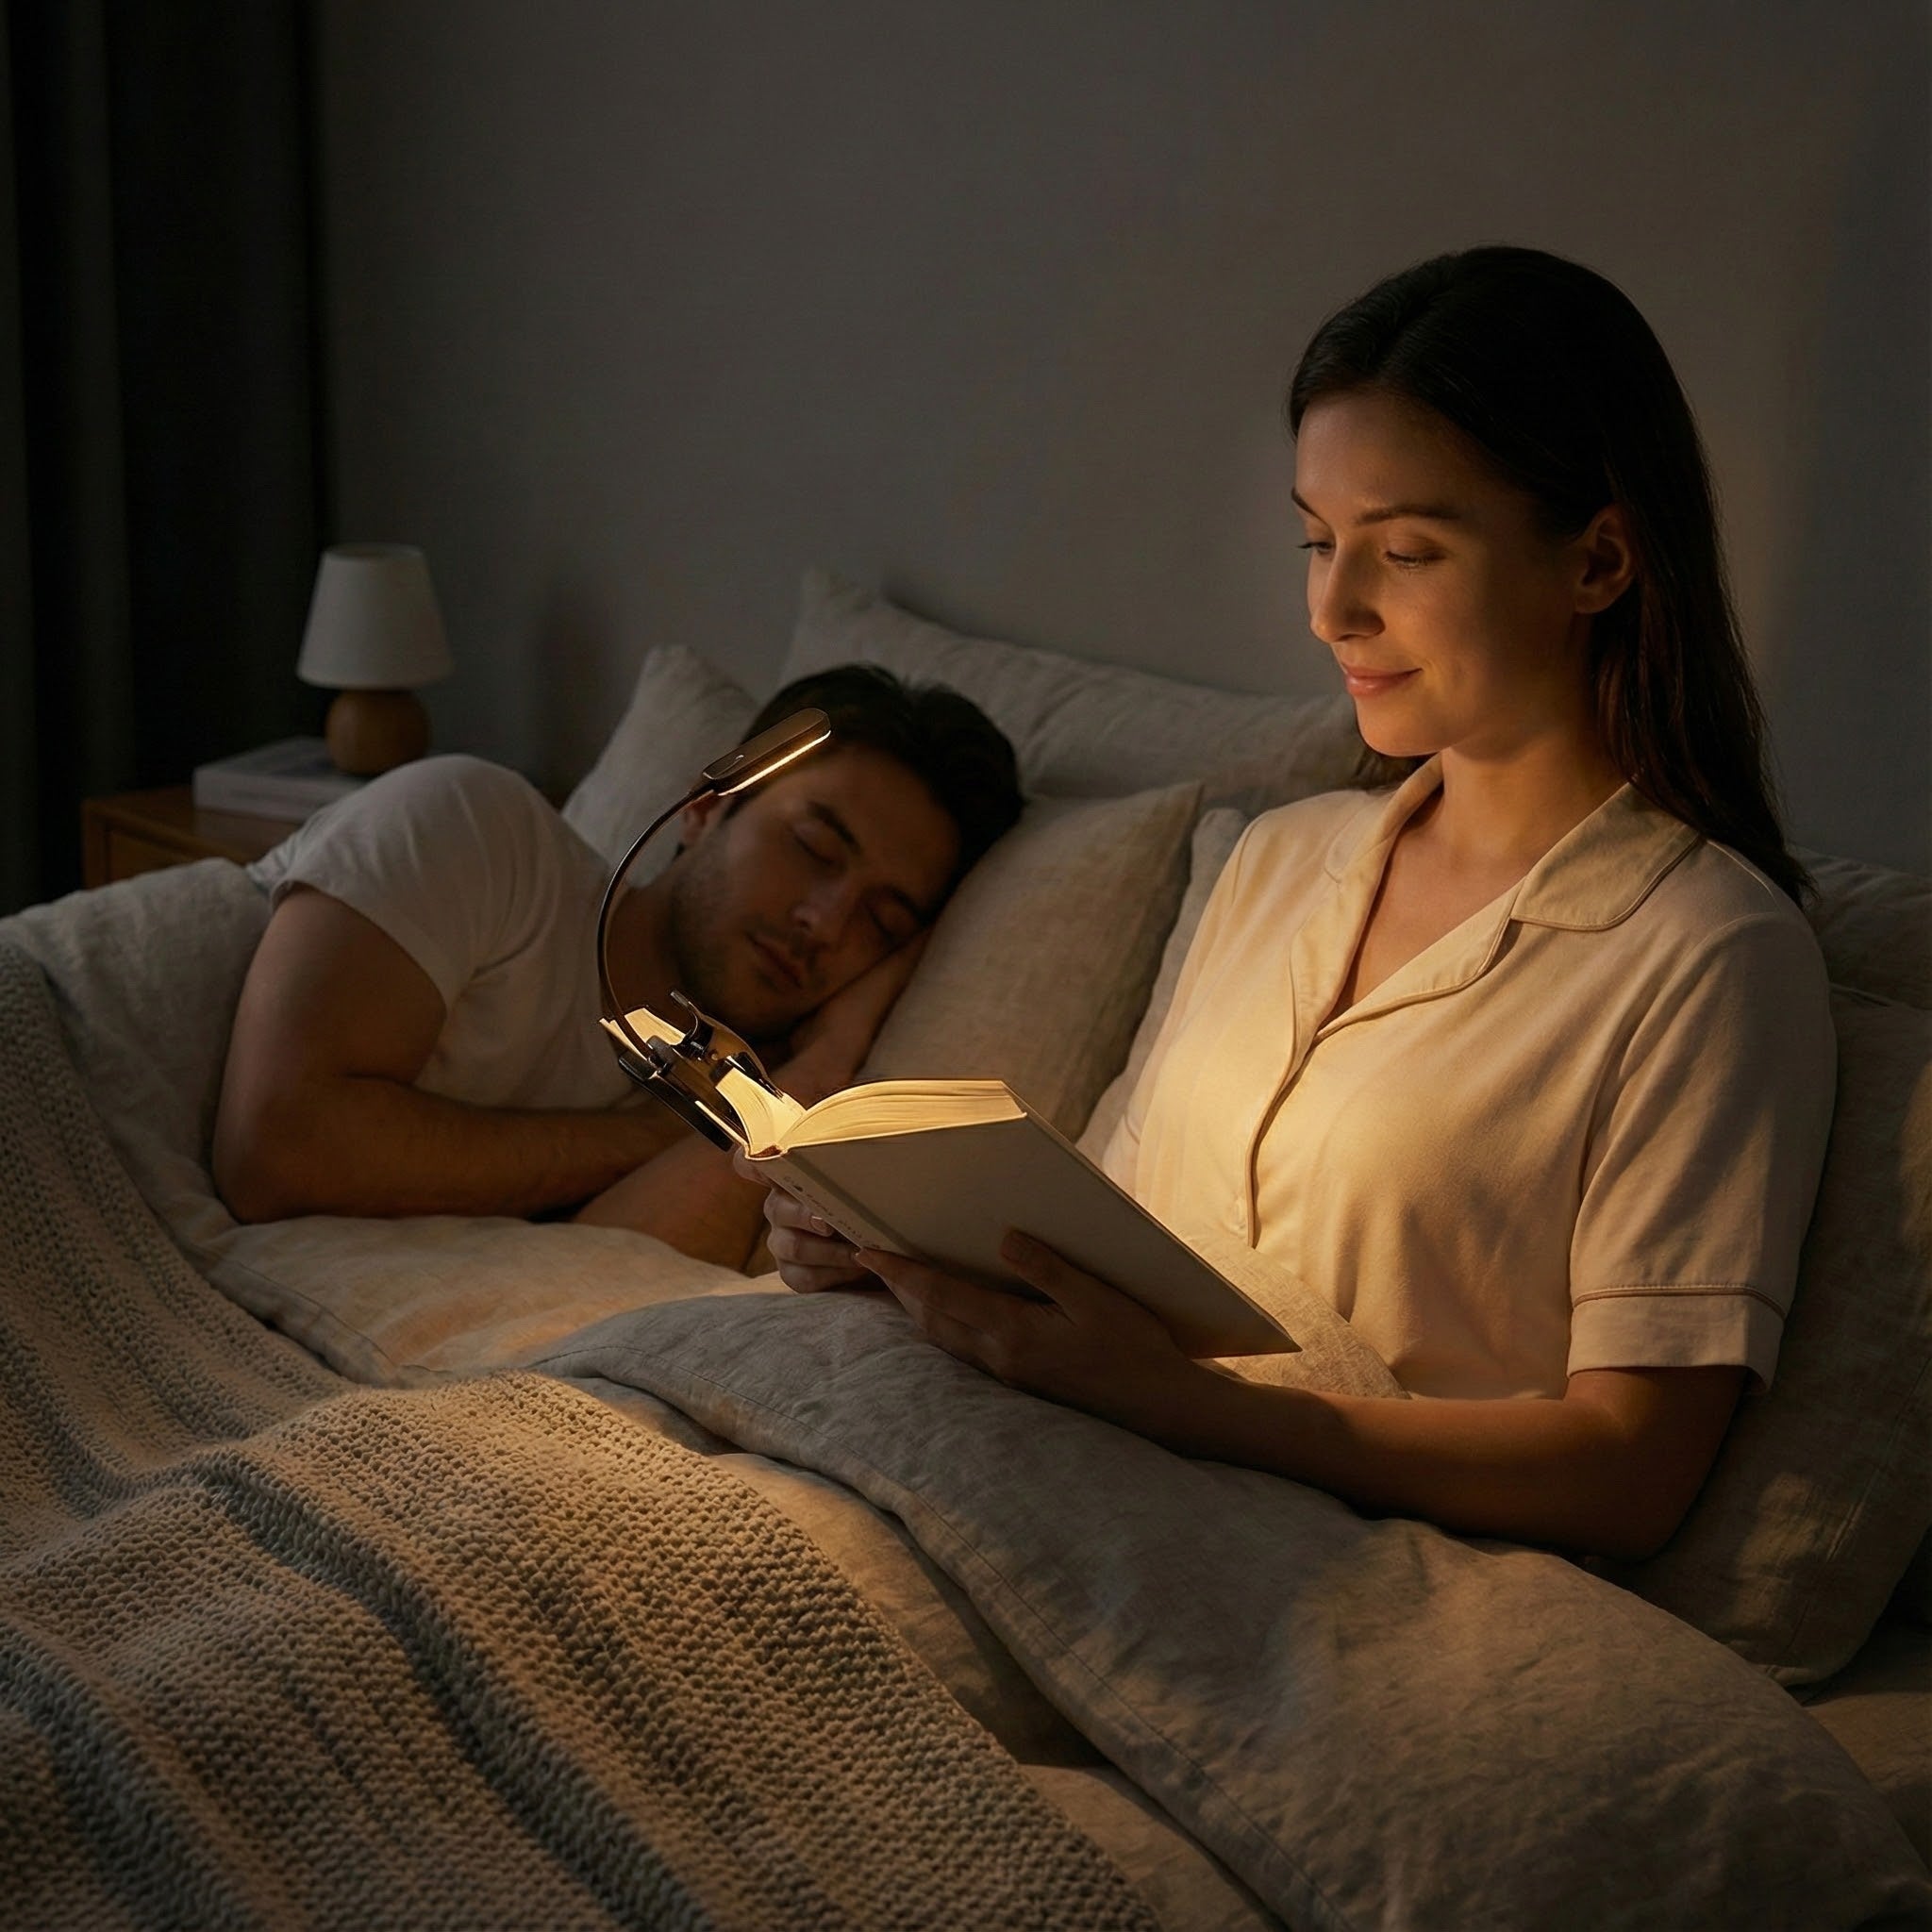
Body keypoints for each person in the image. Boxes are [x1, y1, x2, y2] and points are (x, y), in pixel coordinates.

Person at [756, 246, 1837, 1564]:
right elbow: (1127, 1245)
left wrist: (1196, 1410)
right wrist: (907, 1259)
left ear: (1600, 560)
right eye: (1319, 541)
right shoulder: (1276, 862)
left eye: (1407, 550)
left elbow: (1630, 1470)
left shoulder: (1707, 956)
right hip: (1074, 1462)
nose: (1334, 609)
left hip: (1336, 1560)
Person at [212, 664, 1023, 1268]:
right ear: (707, 806)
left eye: (879, 924)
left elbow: (595, 1285)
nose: (824, 923)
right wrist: (653, 1132)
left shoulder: (730, 1076)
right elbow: (275, 1150)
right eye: (811, 848)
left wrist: (829, 1054)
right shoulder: (478, 829)